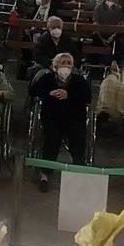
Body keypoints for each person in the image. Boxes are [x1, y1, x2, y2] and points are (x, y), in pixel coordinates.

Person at [29, 53, 91, 192]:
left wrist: (69, 95)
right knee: (51, 138)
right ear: (55, 66)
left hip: (74, 117)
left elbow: (87, 97)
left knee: (77, 137)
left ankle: (78, 172)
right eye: (63, 63)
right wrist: (49, 93)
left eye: (69, 63)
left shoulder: (79, 80)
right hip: (52, 116)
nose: (66, 66)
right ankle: (45, 174)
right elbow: (33, 91)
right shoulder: (46, 78)